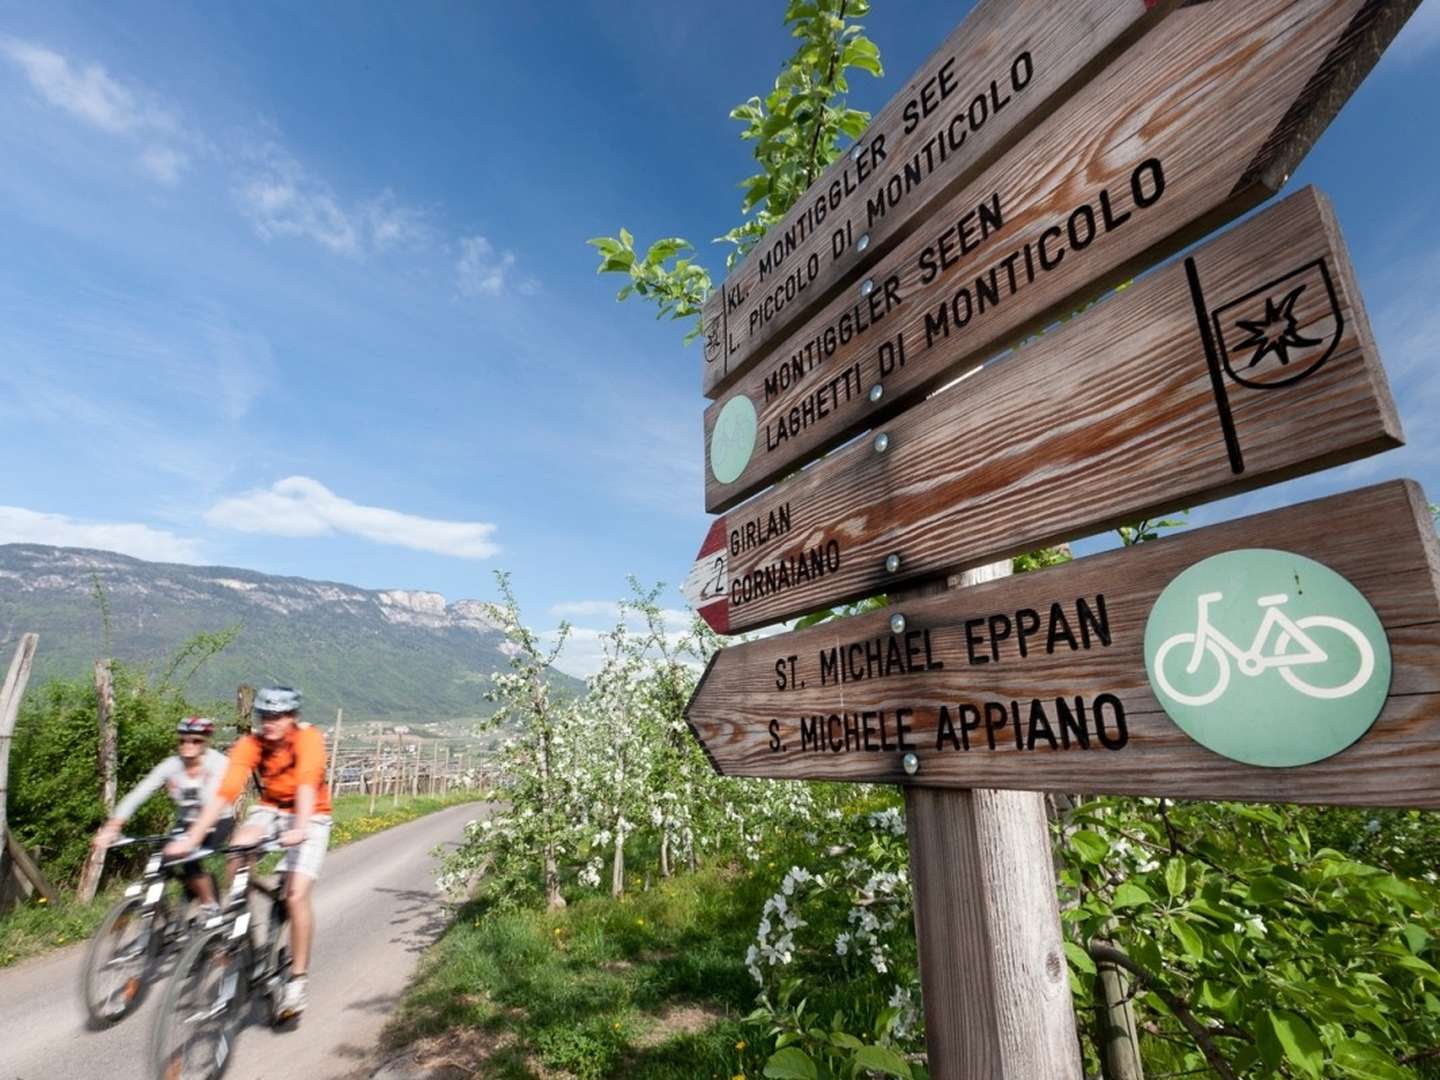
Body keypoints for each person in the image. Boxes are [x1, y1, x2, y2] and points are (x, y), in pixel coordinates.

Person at [167, 686, 332, 1019]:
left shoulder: (309, 739)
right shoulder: (250, 744)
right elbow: (227, 790)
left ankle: (297, 981)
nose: (269, 722)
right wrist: (193, 836)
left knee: (297, 895)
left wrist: (299, 829)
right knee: (238, 848)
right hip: (270, 808)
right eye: (264, 716)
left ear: (293, 718)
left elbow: (304, 783)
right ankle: (241, 923)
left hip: (310, 812)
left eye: (278, 716)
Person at [93, 716, 232, 909]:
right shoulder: (172, 765)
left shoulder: (219, 764)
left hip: (217, 820)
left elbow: (212, 803)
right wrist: (113, 826)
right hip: (186, 821)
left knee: (190, 862)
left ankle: (211, 908)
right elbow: (140, 792)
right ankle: (158, 918)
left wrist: (189, 840)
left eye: (196, 740)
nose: (188, 745)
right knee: (159, 862)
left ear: (206, 743)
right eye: (182, 740)